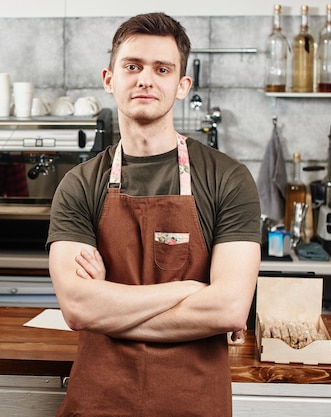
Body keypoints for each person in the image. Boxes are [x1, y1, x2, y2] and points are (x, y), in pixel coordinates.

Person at [47, 13, 261, 416]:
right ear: (109, 79)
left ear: (182, 86)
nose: (146, 79)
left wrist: (108, 309)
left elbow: (230, 308)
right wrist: (190, 290)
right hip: (99, 400)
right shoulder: (79, 184)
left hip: (193, 401)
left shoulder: (228, 178)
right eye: (133, 66)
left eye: (162, 69)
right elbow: (78, 309)